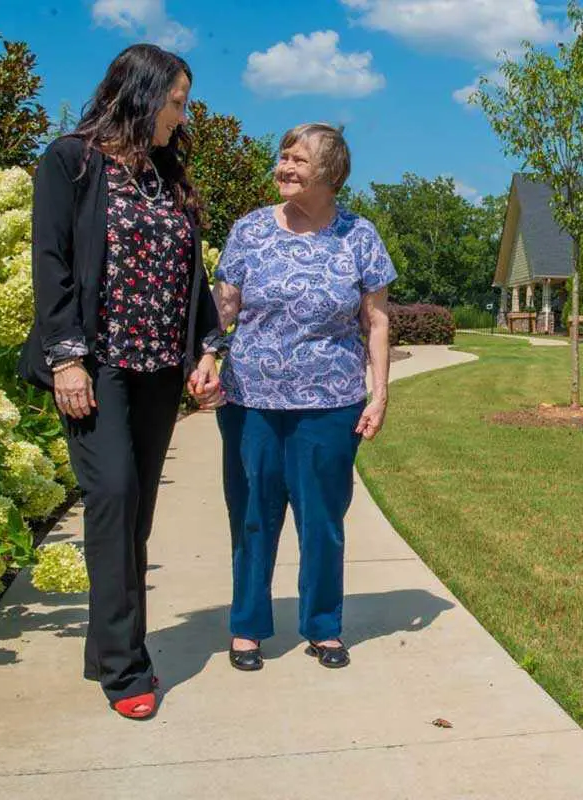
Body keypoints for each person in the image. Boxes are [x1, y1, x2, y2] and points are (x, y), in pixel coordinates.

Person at [18, 44, 222, 719]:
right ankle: (127, 670)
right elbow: (51, 262)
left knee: (135, 515)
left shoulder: (167, 172)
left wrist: (205, 347)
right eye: (177, 101)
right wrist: (66, 358)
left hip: (160, 365)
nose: (182, 114)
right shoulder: (70, 161)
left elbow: (188, 275)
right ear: (142, 93)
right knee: (113, 494)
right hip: (97, 363)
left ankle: (105, 645)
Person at [213, 123, 395, 672]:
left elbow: (377, 320)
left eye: (297, 160)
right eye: (283, 157)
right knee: (251, 517)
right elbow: (224, 309)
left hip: (331, 403)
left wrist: (379, 393)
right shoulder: (249, 231)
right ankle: (246, 628)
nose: (284, 167)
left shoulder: (359, 236)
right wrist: (204, 358)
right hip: (250, 401)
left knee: (322, 521)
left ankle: (323, 627)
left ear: (330, 173)